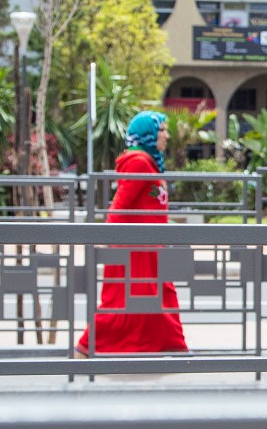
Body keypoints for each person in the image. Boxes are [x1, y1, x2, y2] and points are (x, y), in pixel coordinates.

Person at [75, 111, 188, 356]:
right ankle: (86, 347)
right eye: (162, 131)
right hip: (136, 250)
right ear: (148, 134)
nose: (167, 136)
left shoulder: (148, 162)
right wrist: (110, 240)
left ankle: (168, 346)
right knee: (123, 301)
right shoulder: (139, 162)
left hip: (149, 248)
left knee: (156, 296)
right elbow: (120, 204)